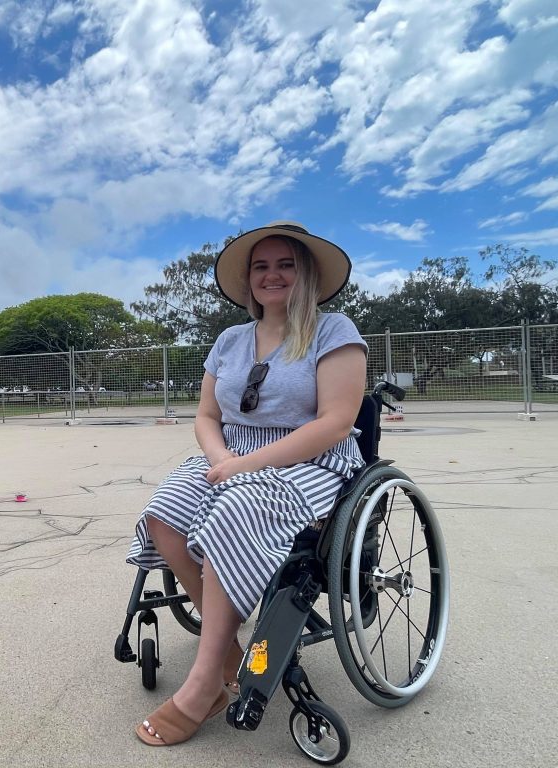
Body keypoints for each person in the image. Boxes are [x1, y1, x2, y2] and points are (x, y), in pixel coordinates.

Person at [126, 222, 367, 746]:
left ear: (306, 274)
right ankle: (230, 651)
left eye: (286, 264)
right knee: (164, 513)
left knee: (233, 513)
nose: (272, 274)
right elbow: (207, 415)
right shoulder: (230, 340)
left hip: (310, 460)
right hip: (231, 454)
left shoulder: (334, 331)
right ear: (249, 279)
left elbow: (335, 420)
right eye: (261, 266)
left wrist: (248, 466)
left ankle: (204, 683)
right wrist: (221, 458)